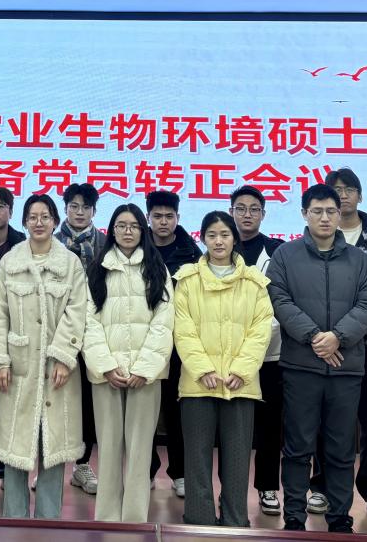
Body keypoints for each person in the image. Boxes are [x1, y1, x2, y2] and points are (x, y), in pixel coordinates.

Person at [267, 184, 367, 534]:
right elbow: (278, 298)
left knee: (341, 448)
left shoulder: (360, 260)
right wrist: (315, 337)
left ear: (340, 214)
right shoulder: (285, 255)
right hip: (301, 366)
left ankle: (340, 517)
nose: (325, 218)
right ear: (304, 214)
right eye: (317, 211)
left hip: (346, 368)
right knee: (298, 446)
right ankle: (294, 517)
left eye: (331, 211)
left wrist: (337, 337)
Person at [0, 193, 88, 519]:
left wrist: (64, 355)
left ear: (55, 221)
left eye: (45, 216)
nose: (39, 222)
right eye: (33, 217)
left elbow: (77, 311)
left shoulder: (70, 263)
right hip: (19, 367)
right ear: (25, 222)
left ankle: (49, 523)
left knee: (52, 448)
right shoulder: (10, 262)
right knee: (15, 446)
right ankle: (13, 521)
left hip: (57, 370)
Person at [174, 211, 273, 528]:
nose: (218, 241)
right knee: (197, 458)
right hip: (197, 384)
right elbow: (182, 329)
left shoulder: (254, 283)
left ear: (234, 238)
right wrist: (202, 369)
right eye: (212, 235)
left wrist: (242, 370)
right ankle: (198, 519)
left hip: (239, 384)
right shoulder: (187, 280)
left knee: (237, 459)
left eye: (225, 235)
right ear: (202, 238)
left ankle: (235, 520)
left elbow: (261, 330)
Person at [83, 205, 173, 522]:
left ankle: (135, 519)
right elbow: (88, 322)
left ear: (142, 230)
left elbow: (164, 323)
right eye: (121, 225)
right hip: (106, 375)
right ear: (112, 230)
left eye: (134, 225)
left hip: (144, 376)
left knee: (139, 451)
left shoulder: (156, 269)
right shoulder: (97, 270)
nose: (127, 231)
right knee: (108, 449)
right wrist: (106, 365)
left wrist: (144, 369)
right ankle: (107, 517)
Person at [307, 166, 367, 522]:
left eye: (349, 189)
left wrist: (347, 331)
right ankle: (321, 486)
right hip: (325, 346)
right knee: (326, 422)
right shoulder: (316, 234)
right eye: (336, 190)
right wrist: (327, 337)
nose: (342, 195)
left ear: (359, 195)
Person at [229, 184, 285, 516]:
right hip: (227, 353)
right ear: (231, 211)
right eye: (241, 208)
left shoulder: (278, 251)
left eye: (254, 209)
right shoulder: (219, 248)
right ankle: (230, 491)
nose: (247, 214)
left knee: (269, 423)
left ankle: (267, 487)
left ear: (263, 214)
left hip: (269, 353)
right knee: (231, 426)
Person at [145, 189, 200, 497]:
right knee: (146, 412)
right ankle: (146, 470)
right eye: (157, 216)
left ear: (178, 218)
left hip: (179, 345)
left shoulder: (192, 253)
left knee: (177, 411)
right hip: (144, 342)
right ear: (148, 217)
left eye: (169, 216)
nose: (163, 222)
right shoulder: (137, 248)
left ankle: (180, 473)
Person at [58, 181, 102, 495]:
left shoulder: (105, 243)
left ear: (94, 211)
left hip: (93, 332)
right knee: (55, 399)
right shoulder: (50, 241)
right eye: (73, 206)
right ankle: (50, 468)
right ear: (65, 209)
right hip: (56, 330)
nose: (79, 212)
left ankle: (82, 466)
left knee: (87, 402)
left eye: (85, 207)